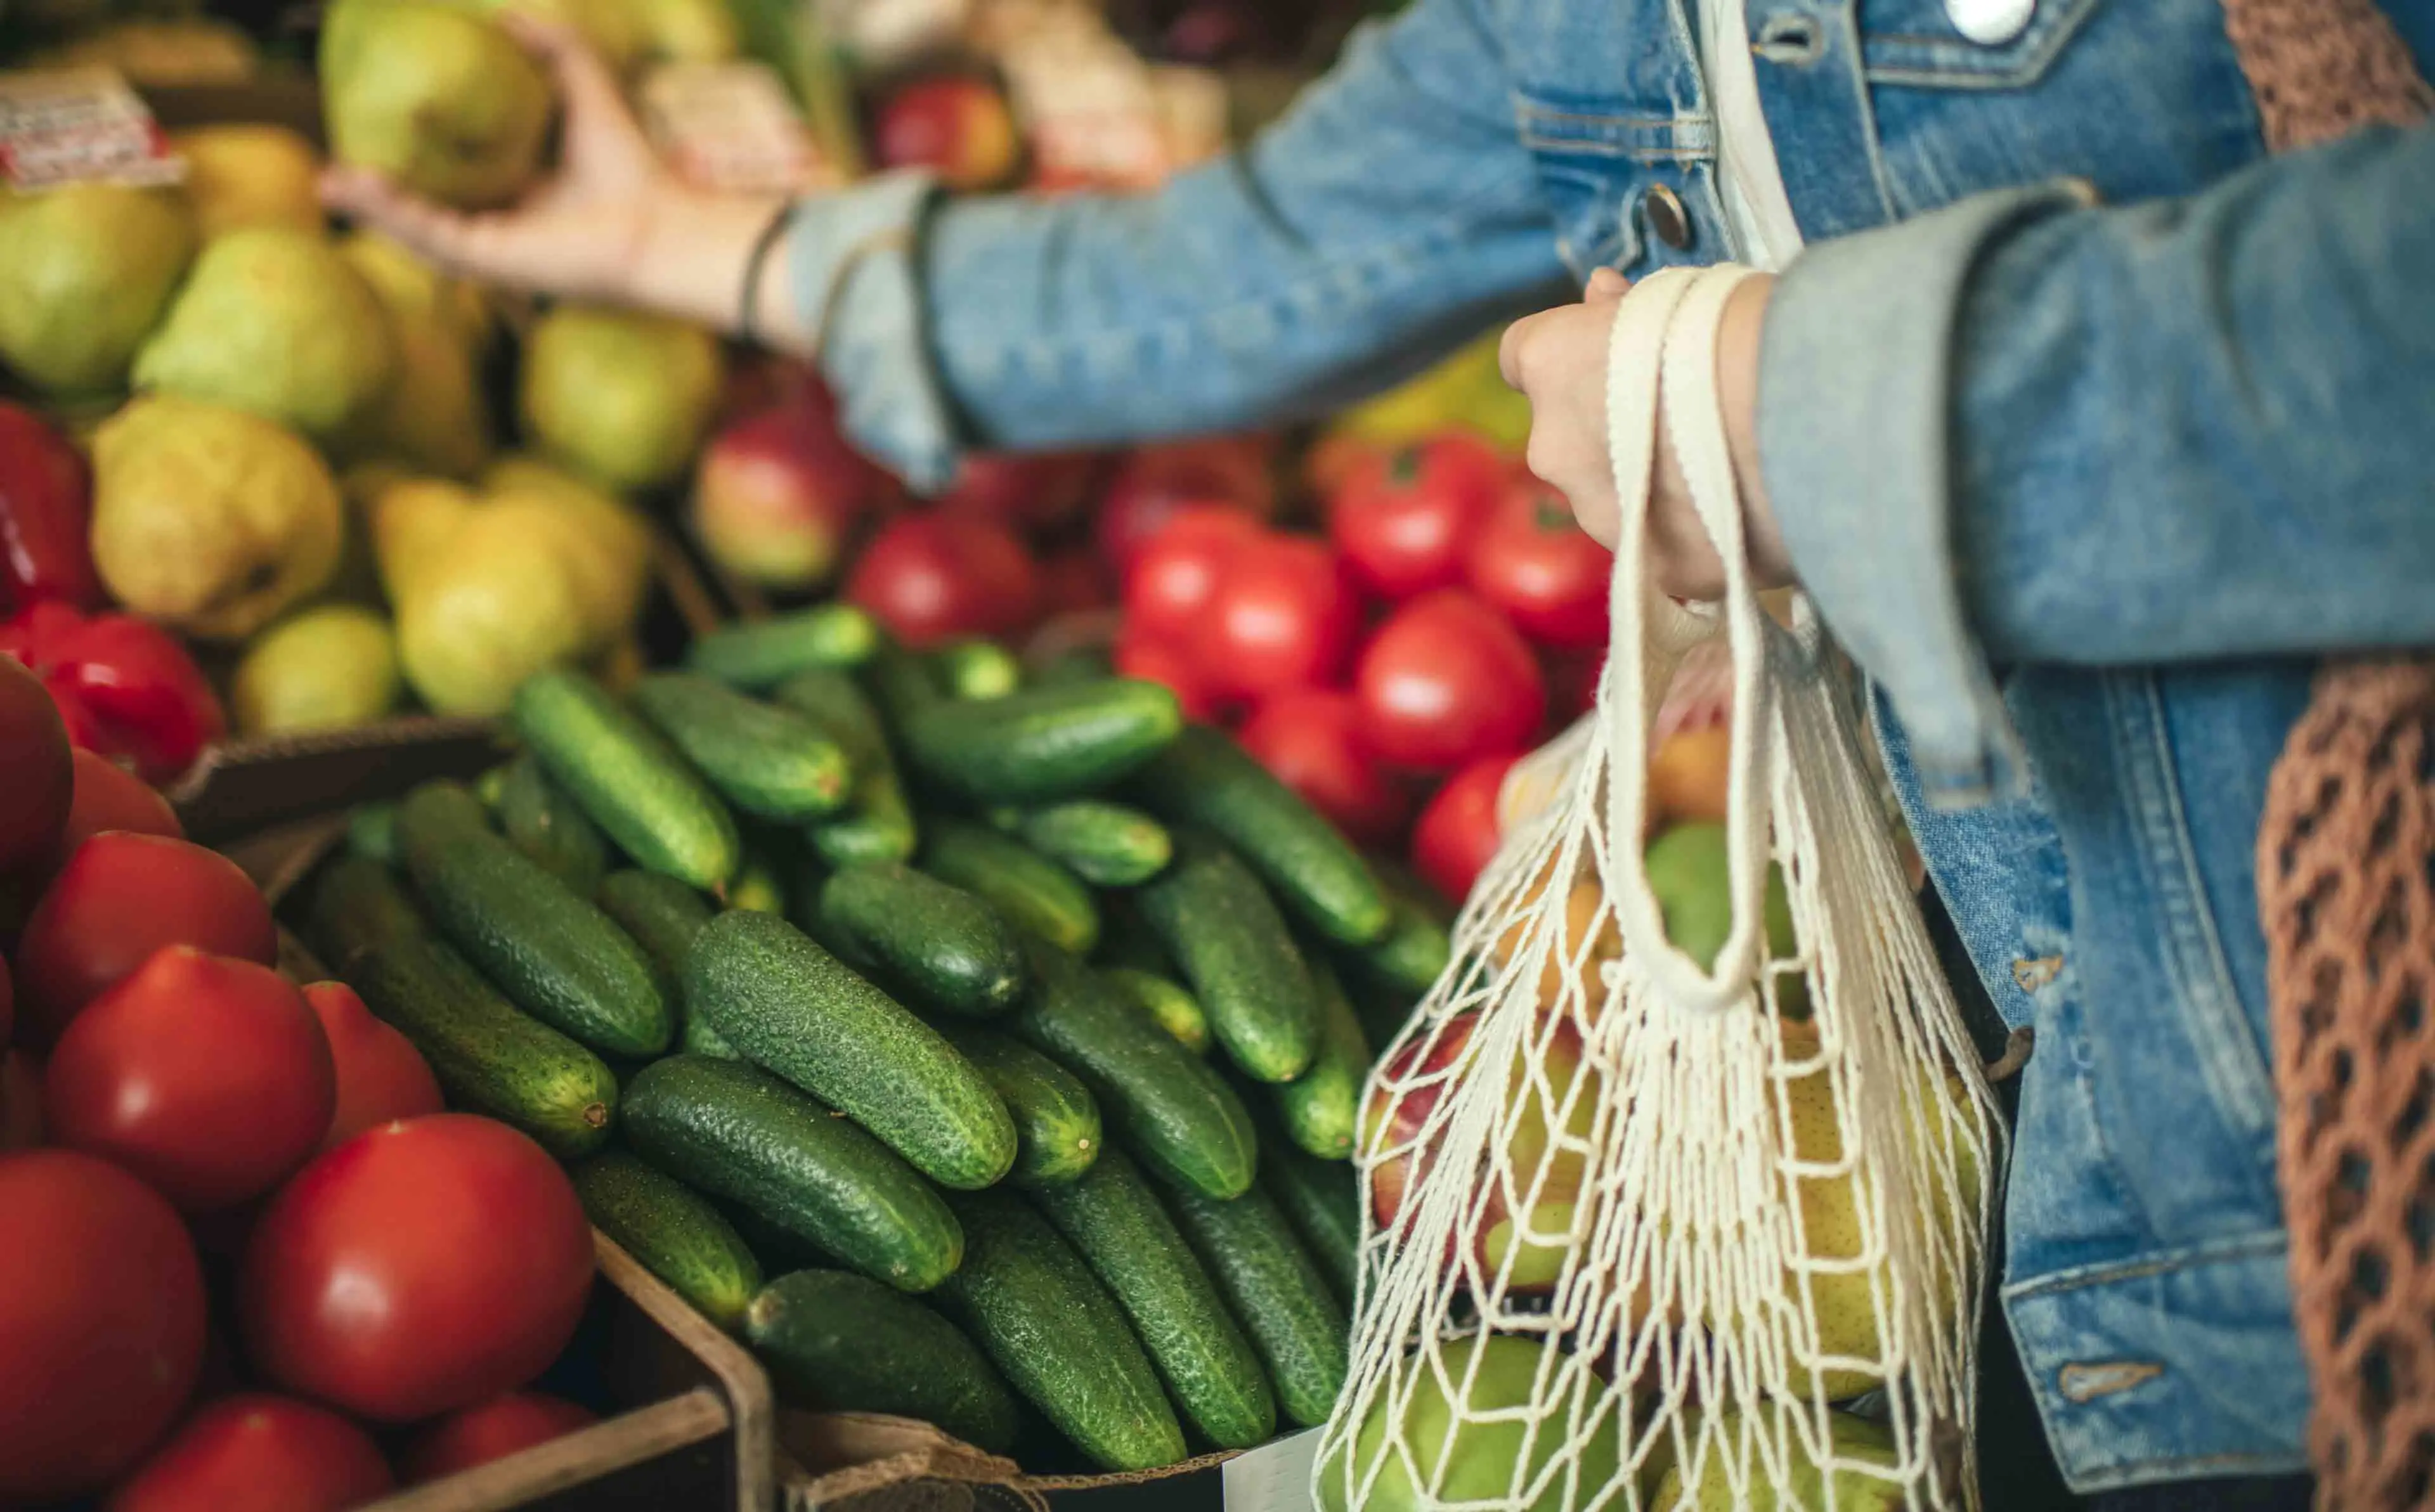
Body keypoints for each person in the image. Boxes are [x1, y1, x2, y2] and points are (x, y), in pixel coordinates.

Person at [330, 1, 2435, 1502]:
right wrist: (686, 248)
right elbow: (1235, 265)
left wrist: (1797, 404)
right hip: (1956, 1214)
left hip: (2323, 1191)